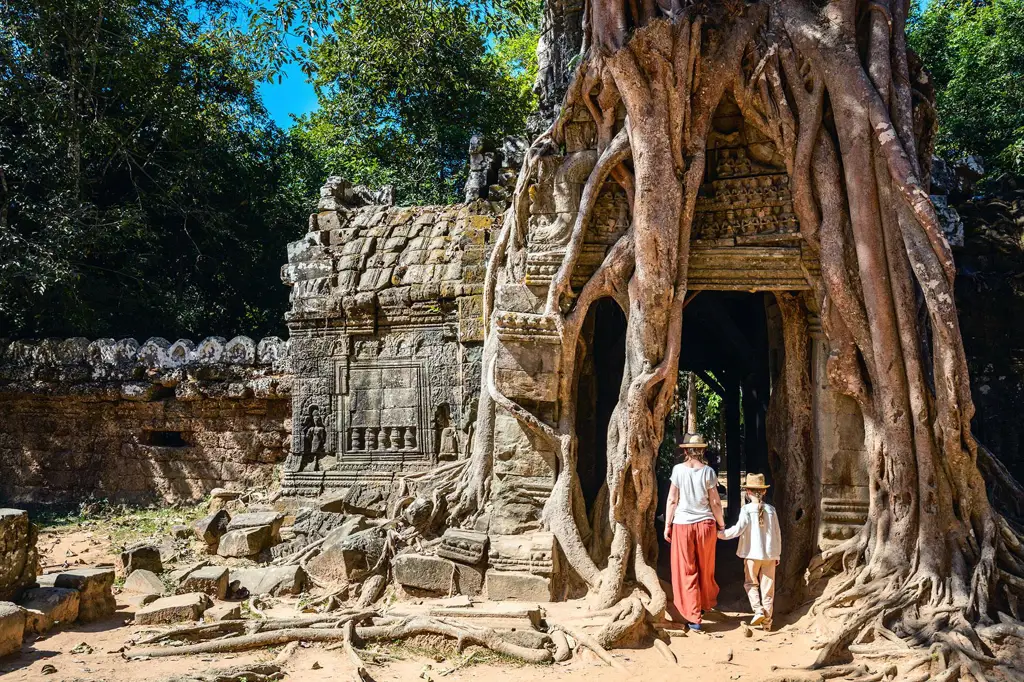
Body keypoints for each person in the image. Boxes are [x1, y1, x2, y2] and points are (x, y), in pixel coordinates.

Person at [664, 433, 726, 630]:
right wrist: (721, 524)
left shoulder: (678, 470)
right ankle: (703, 604)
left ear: (685, 451)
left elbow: (672, 500)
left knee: (686, 569)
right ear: (701, 450)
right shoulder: (708, 472)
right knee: (705, 568)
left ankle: (693, 616)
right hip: (706, 525)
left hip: (682, 525)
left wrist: (668, 524)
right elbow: (715, 502)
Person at [717, 472, 782, 631]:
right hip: (770, 555)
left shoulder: (746, 510)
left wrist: (719, 534)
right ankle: (767, 622)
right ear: (764, 491)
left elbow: (737, 530)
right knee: (768, 588)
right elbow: (777, 533)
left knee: (751, 583)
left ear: (748, 492)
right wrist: (777, 554)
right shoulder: (771, 510)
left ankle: (758, 609)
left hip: (752, 555)